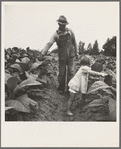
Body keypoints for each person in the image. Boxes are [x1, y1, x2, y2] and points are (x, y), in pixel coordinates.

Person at [41, 15, 79, 94]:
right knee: (62, 73)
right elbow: (49, 43)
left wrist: (77, 52)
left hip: (71, 55)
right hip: (62, 56)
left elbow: (74, 42)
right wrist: (43, 53)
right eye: (62, 25)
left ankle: (69, 89)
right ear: (59, 24)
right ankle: (61, 88)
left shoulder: (70, 31)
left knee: (71, 73)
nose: (63, 26)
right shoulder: (56, 34)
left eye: (64, 25)